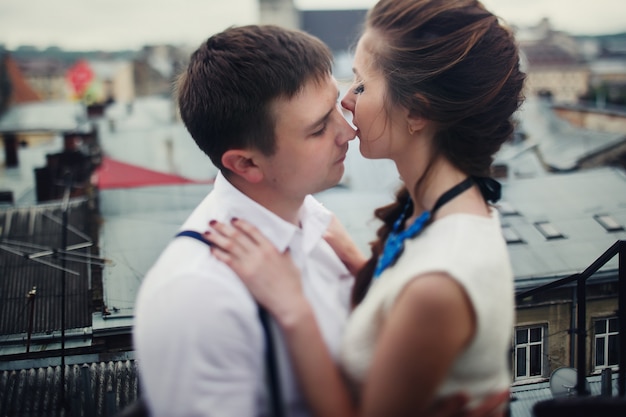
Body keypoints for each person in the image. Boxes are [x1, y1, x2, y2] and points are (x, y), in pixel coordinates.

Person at [133, 23, 501, 417]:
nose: (347, 130)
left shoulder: (318, 226)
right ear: (247, 163)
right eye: (319, 127)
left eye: (334, 107)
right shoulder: (196, 295)